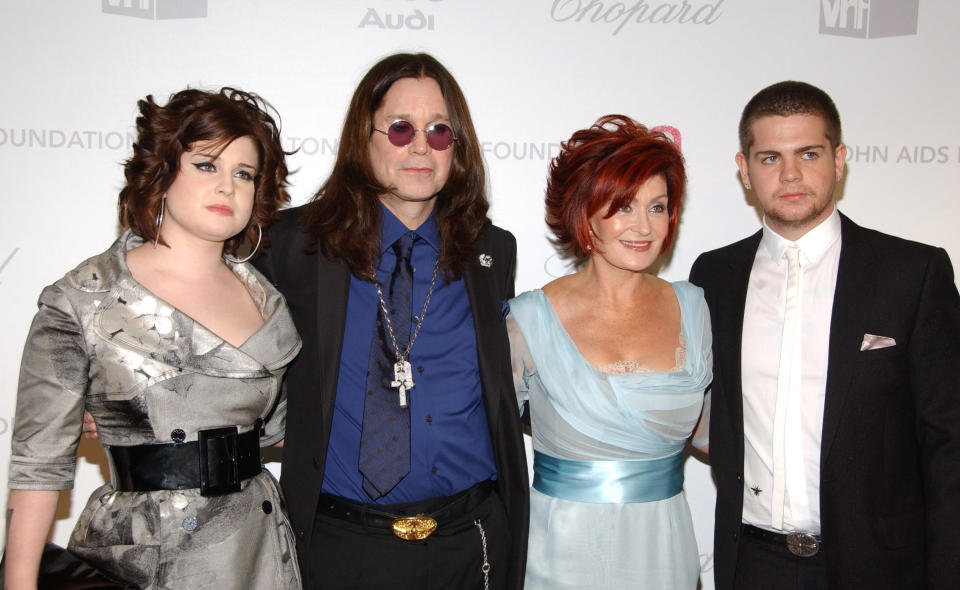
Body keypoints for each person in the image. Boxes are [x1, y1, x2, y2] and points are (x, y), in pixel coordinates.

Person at [5, 87, 302, 590]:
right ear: (163, 171)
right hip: (144, 556)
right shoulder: (84, 300)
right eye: (207, 165)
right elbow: (37, 467)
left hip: (258, 551)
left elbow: (285, 428)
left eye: (244, 174)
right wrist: (17, 582)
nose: (227, 187)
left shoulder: (270, 303)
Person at [252, 53, 528, 590]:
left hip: (470, 547)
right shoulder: (293, 246)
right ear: (366, 136)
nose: (420, 145)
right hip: (338, 545)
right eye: (401, 128)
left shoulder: (491, 252)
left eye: (439, 131)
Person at [689, 81, 960, 589]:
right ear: (744, 170)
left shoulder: (913, 272)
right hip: (752, 563)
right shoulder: (715, 276)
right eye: (770, 158)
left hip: (881, 565)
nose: (790, 174)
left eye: (808, 153)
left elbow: (949, 442)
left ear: (839, 160)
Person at [508, 115, 712, 589]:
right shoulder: (527, 322)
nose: (644, 226)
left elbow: (713, 436)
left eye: (657, 207)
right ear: (585, 213)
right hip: (559, 561)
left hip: (666, 557)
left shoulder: (696, 309)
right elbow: (492, 437)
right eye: (623, 206)